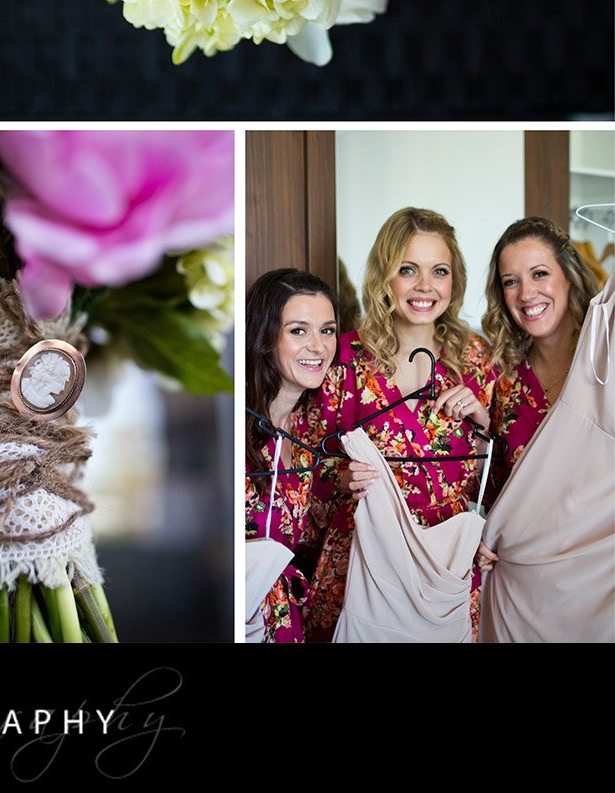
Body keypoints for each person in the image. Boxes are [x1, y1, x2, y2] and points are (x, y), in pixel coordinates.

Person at [300, 208, 495, 642]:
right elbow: (301, 466)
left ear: (454, 281)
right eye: (408, 270)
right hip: (364, 562)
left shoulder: (475, 360)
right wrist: (341, 476)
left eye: (438, 271)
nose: (425, 286)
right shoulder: (344, 358)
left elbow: (490, 478)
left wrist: (483, 425)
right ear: (384, 277)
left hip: (446, 569)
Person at [479, 218, 601, 513]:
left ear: (569, 276)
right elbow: (500, 493)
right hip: (533, 554)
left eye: (539, 274)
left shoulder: (604, 361)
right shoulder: (504, 380)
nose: (526, 294)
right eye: (511, 281)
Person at [243, 269, 339, 643]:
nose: (317, 346)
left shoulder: (304, 430)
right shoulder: (241, 426)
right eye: (298, 330)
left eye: (327, 330)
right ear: (266, 337)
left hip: (285, 622)